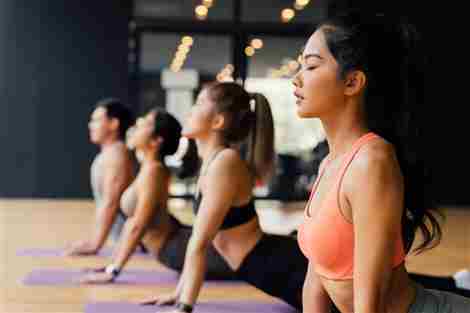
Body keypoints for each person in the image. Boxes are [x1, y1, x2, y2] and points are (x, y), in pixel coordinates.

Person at [294, 10, 470, 313]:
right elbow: (315, 281)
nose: (296, 78)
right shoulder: (329, 164)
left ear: (352, 82)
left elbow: (369, 296)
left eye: (311, 65)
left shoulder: (371, 162)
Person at [141, 82, 312, 313]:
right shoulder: (214, 161)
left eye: (200, 103)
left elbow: (200, 242)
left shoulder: (225, 162)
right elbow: (198, 242)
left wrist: (184, 306)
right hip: (264, 268)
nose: (191, 110)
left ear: (218, 121)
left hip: (279, 267)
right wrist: (177, 294)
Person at [81, 107, 235, 283]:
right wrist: (110, 264)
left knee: (244, 261)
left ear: (155, 141)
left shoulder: (154, 172)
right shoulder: (148, 168)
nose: (137, 126)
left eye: (145, 123)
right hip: (177, 243)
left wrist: (113, 271)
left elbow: (138, 225)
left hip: (177, 249)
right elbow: (135, 223)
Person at [65, 98, 135, 256]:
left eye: (96, 120)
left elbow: (111, 202)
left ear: (113, 124)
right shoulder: (110, 153)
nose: (91, 125)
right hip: (124, 241)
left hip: (139, 244)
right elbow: (104, 202)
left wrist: (95, 244)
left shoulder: (116, 155)